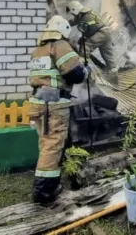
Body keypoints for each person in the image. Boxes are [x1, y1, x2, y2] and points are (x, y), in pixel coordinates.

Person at [28, 15, 91, 204]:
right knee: (53, 145)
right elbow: (75, 74)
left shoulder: (38, 50)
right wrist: (86, 70)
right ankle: (44, 192)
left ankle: (57, 180)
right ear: (63, 30)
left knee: (46, 143)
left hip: (38, 102)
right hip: (53, 105)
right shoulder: (60, 45)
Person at [66, 0, 119, 83]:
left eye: (72, 13)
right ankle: (114, 78)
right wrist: (64, 23)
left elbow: (88, 30)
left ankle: (84, 70)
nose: (73, 15)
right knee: (108, 57)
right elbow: (74, 21)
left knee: (85, 47)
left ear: (75, 10)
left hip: (101, 33)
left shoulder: (85, 17)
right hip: (105, 33)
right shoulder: (85, 15)